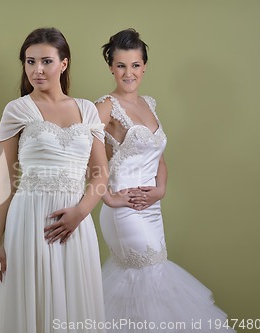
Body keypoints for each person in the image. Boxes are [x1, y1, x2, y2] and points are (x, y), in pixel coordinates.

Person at [95, 28, 234, 332]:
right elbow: (86, 159)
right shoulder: (105, 106)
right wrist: (109, 197)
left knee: (148, 283)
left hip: (151, 210)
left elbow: (159, 159)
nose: (128, 73)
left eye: (134, 65)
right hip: (125, 212)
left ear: (144, 66)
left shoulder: (149, 104)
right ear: (111, 68)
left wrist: (160, 190)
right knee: (146, 276)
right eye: (121, 66)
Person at [0, 27, 108, 333]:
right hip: (29, 222)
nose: (36, 70)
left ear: (63, 64)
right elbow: (5, 179)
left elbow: (100, 174)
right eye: (29, 62)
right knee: (34, 308)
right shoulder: (17, 110)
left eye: (45, 61)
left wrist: (80, 213)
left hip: (75, 224)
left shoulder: (87, 110)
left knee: (74, 306)